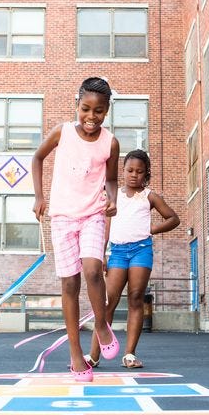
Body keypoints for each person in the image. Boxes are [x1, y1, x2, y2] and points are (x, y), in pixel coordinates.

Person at [32, 77, 121, 382]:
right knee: (70, 285)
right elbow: (37, 157)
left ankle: (100, 323)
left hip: (93, 214)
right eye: (85, 109)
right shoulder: (62, 132)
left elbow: (111, 179)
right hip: (62, 218)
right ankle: (75, 355)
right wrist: (40, 197)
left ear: (106, 112)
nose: (91, 117)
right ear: (77, 105)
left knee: (93, 270)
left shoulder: (110, 142)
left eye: (98, 111)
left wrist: (112, 199)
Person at [87, 149, 180, 369]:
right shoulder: (114, 196)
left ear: (146, 173)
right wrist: (102, 253)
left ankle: (129, 354)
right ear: (123, 171)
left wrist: (152, 228)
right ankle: (93, 356)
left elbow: (173, 218)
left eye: (139, 171)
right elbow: (106, 227)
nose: (134, 175)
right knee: (107, 302)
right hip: (117, 253)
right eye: (129, 170)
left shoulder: (150, 196)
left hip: (141, 250)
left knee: (136, 298)